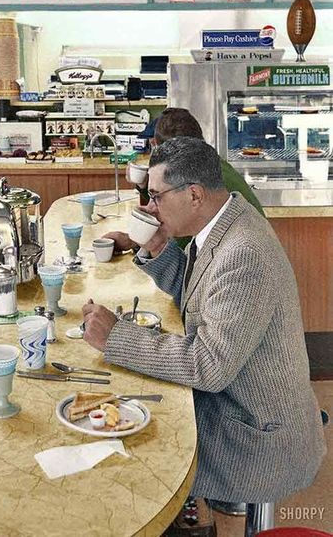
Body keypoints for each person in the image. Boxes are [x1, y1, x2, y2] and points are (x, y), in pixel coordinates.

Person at [82, 138, 325, 526]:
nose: (149, 207)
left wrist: (116, 338)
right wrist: (161, 249)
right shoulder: (224, 223)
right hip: (238, 404)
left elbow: (207, 365)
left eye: (156, 196)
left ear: (193, 194)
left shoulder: (243, 252)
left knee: (136, 446)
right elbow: (201, 295)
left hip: (256, 436)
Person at [116, 107, 264, 255]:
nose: (153, 208)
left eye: (156, 149)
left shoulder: (201, 185)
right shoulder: (211, 168)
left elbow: (181, 253)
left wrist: (139, 242)